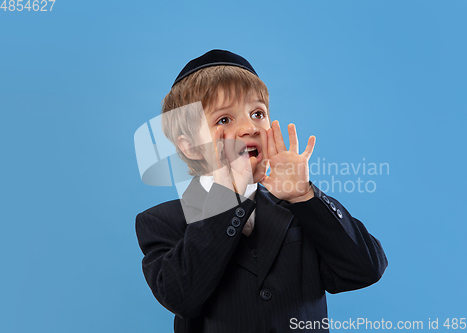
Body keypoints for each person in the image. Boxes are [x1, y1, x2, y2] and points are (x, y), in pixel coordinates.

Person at [136, 49, 388, 333]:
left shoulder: (299, 209)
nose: (248, 127)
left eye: (257, 113)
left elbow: (365, 271)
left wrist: (304, 196)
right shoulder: (161, 221)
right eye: (224, 120)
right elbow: (181, 296)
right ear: (191, 146)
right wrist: (227, 197)